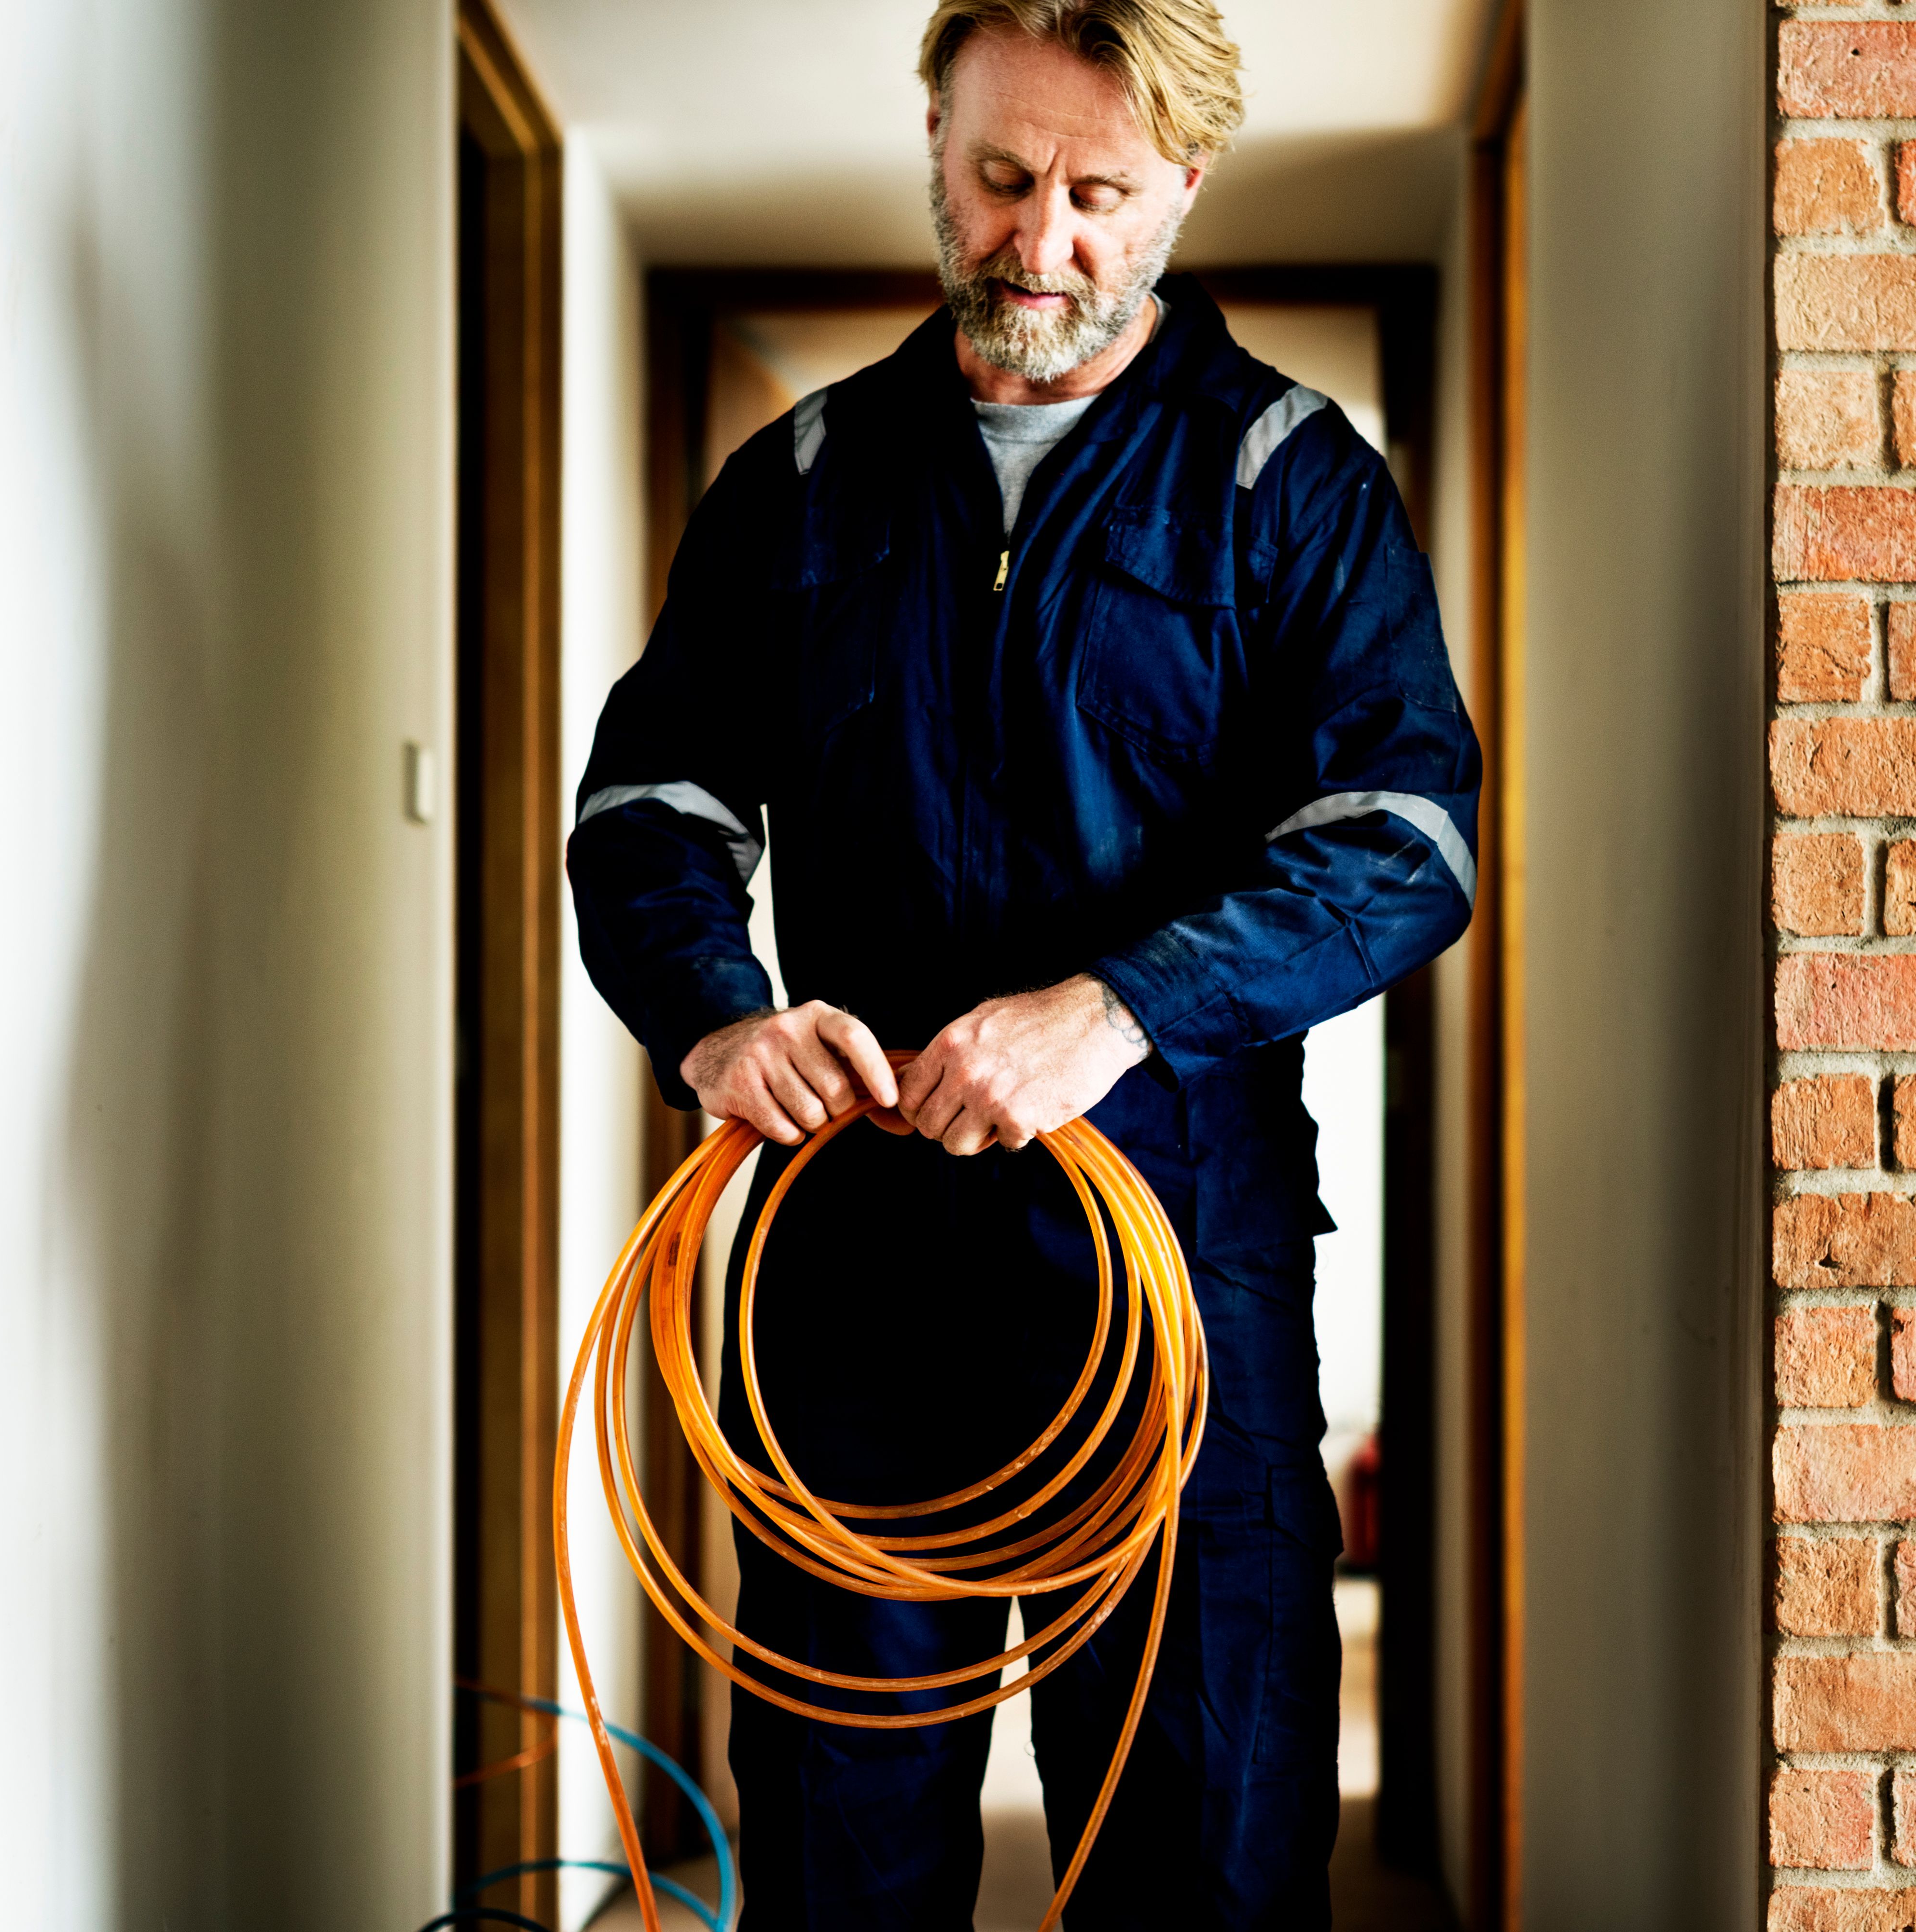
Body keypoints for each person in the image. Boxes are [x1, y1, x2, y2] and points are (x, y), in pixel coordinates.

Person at [568, 1, 1479, 1922]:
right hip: (855, 1272)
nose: (1039, 242)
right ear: (935, 136)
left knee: (1202, 1849)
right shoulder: (798, 485)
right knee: (835, 1847)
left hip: (1177, 1273)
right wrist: (720, 1019)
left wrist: (1122, 1007)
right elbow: (647, 804)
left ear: (1185, 190)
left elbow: (1406, 844)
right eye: (998, 179)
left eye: (1098, 195)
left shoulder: (1289, 484)